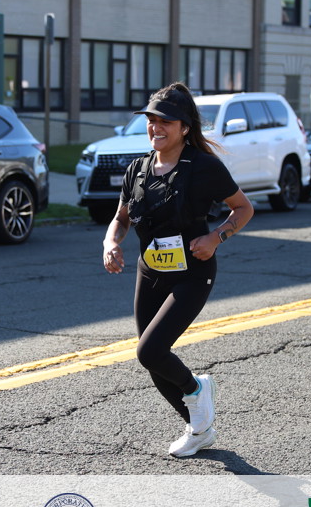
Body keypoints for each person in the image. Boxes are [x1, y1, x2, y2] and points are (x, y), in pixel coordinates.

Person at [102, 82, 253, 457]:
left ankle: (197, 390)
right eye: (151, 120)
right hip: (150, 271)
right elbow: (120, 218)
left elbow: (243, 208)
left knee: (150, 350)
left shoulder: (204, 167)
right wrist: (111, 243)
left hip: (193, 273)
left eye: (165, 121)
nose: (156, 127)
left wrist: (216, 237)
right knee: (154, 359)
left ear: (185, 127)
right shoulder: (138, 169)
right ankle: (200, 428)